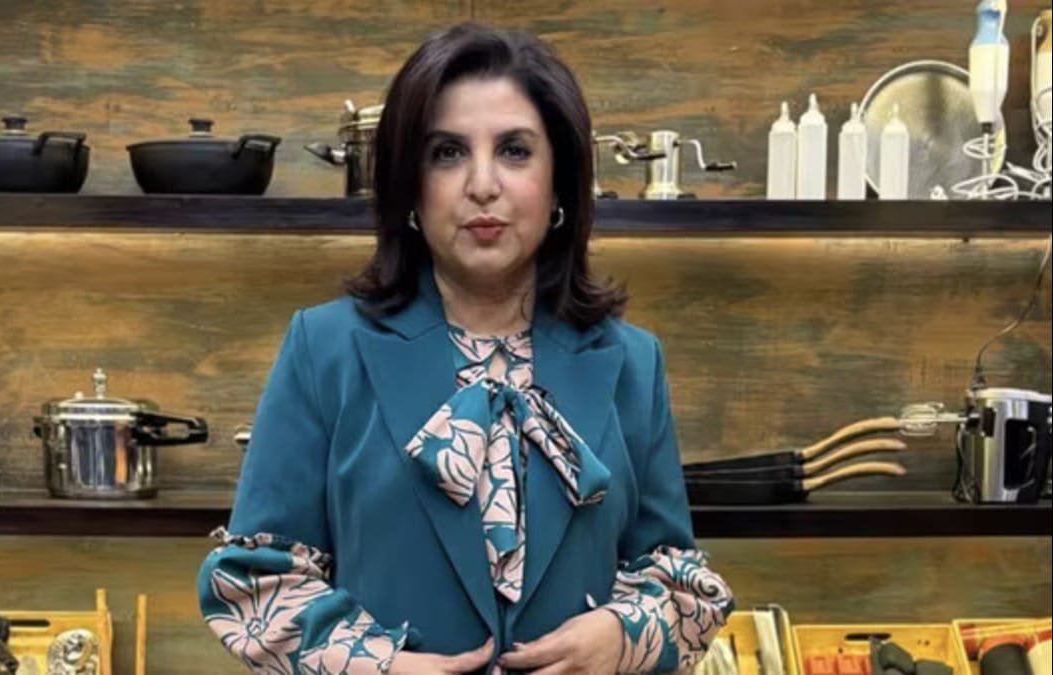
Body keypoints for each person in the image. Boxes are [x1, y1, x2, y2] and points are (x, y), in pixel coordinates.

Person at [197, 22, 734, 674]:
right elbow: (254, 579)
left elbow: (677, 579)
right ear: (410, 186)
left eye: (515, 151)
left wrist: (624, 634)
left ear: (560, 182)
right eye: (448, 152)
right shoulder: (325, 348)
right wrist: (379, 666)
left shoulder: (632, 362)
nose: (483, 184)